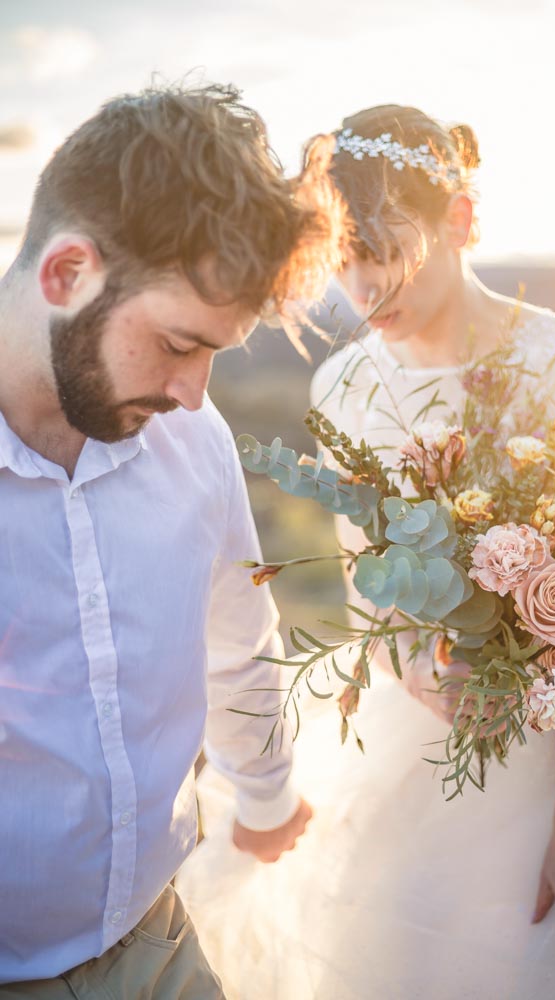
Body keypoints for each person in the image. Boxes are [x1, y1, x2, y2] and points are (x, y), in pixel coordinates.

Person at [176, 105, 555, 999]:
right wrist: (413, 666)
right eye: (341, 266)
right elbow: (374, 585)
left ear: (461, 220)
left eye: (386, 257)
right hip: (424, 744)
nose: (363, 292)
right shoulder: (343, 384)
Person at [0, 83, 344, 996]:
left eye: (215, 357)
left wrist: (266, 796)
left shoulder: (191, 440)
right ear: (66, 273)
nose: (193, 394)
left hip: (162, 943)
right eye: (177, 344)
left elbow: (238, 640)